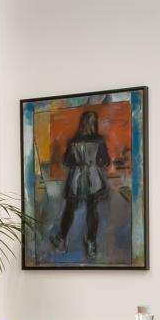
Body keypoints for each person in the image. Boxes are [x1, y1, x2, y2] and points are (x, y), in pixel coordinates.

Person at [51, 109, 112, 259]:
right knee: (92, 210)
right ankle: (91, 243)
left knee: (70, 209)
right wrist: (93, 163)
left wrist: (79, 161)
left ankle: (62, 240)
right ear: (94, 124)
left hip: (76, 178)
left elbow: (67, 162)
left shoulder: (73, 141)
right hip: (94, 179)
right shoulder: (99, 140)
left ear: (82, 123)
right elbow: (105, 161)